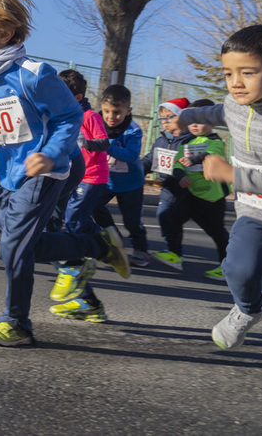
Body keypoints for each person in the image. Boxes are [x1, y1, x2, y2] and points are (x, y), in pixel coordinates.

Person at [0, 0, 130, 346]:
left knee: (14, 244)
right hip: (15, 173)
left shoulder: (33, 73)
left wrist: (50, 154)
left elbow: (70, 118)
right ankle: (96, 245)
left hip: (51, 169)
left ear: (5, 33)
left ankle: (16, 322)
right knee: (17, 237)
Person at [177, 25, 262, 349]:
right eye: (228, 73)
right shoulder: (234, 104)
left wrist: (233, 174)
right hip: (256, 211)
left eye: (247, 72)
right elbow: (216, 112)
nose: (235, 83)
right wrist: (185, 115)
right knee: (237, 269)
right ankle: (248, 310)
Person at [46, 69, 112, 323]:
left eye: (62, 95)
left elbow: (104, 143)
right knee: (64, 227)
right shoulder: (61, 114)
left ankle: (96, 247)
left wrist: (85, 144)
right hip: (69, 176)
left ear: (78, 96)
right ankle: (87, 298)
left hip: (91, 176)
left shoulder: (88, 115)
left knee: (71, 223)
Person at [155, 99, 230, 280]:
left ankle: (227, 267)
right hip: (193, 194)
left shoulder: (216, 141)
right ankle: (174, 254)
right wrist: (181, 177)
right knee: (174, 220)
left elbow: (211, 154)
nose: (194, 124)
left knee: (217, 233)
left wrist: (195, 160)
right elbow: (177, 163)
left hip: (212, 198)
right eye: (191, 120)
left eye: (200, 120)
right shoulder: (187, 142)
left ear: (212, 121)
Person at [92, 85, 149, 268]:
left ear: (128, 111)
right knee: (93, 205)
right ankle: (113, 234)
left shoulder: (133, 130)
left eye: (117, 112)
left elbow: (132, 155)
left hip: (131, 184)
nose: (111, 117)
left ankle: (141, 251)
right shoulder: (96, 123)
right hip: (106, 181)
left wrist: (104, 145)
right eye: (107, 111)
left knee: (132, 221)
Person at [143, 97, 195, 268]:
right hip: (168, 190)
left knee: (209, 225)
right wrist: (136, 169)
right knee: (164, 216)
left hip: (189, 191)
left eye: (170, 117)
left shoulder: (192, 141)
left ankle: (227, 256)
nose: (165, 122)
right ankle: (174, 251)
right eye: (163, 118)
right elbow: (150, 160)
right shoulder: (161, 141)